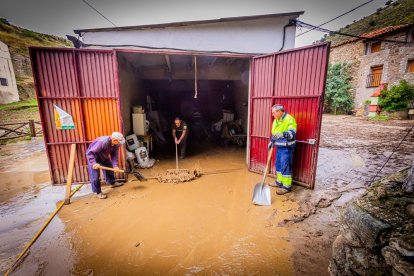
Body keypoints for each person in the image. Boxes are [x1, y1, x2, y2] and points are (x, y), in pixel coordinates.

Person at [268, 104, 297, 195]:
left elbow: (292, 134)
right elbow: (274, 134)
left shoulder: (289, 119)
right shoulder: (276, 120)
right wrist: (271, 141)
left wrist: (281, 134)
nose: (272, 115)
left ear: (279, 111)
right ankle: (279, 182)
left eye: (274, 113)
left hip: (287, 148)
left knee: (285, 166)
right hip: (279, 147)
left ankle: (286, 186)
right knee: (279, 165)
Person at [86, 132, 125, 199]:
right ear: (114, 140)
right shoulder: (102, 142)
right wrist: (93, 163)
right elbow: (90, 153)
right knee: (95, 175)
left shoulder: (116, 145)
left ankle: (112, 183)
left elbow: (114, 155)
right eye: (119, 142)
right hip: (94, 158)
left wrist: (115, 165)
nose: (120, 143)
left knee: (109, 166)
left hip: (104, 156)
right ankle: (97, 192)